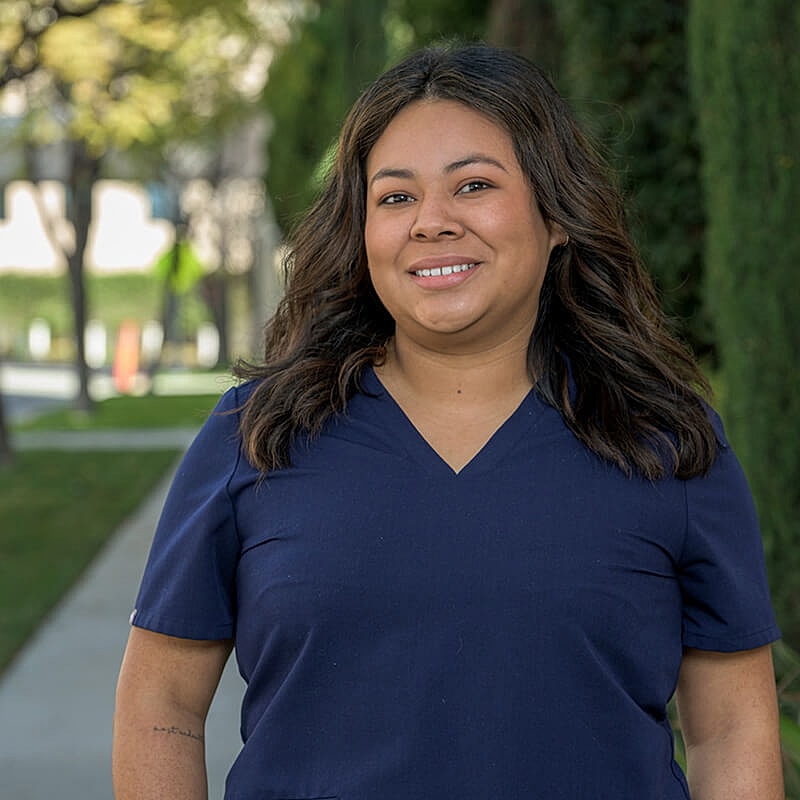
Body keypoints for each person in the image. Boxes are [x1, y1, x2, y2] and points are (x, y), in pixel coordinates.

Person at [112, 43, 784, 799]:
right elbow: (159, 705)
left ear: (556, 215)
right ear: (361, 234)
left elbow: (730, 727)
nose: (431, 222)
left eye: (474, 185)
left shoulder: (664, 437)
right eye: (395, 197)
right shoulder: (258, 433)